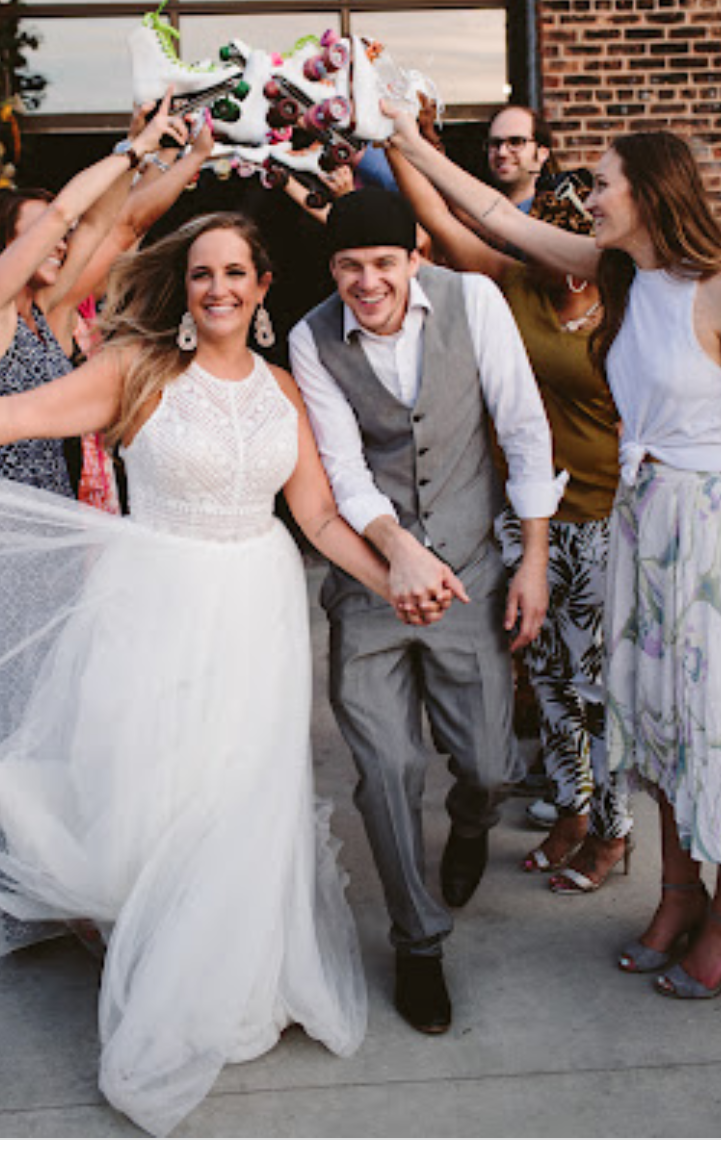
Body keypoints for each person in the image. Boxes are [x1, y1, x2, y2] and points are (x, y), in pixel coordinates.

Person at [0, 211, 441, 1135]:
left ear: (263, 290)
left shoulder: (285, 392)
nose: (218, 288)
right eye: (202, 274)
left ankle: (243, 985)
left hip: (257, 611)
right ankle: (173, 997)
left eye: (236, 273)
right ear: (185, 289)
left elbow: (324, 521)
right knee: (167, 799)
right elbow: (11, 415)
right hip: (158, 607)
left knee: (245, 800)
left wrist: (396, 580)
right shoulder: (136, 372)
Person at [383, 111, 721, 1001]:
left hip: (716, 533)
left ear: (651, 194)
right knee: (658, 728)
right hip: (642, 522)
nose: (588, 198)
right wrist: (401, 136)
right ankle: (677, 895)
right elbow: (497, 220)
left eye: (601, 184)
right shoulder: (619, 275)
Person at [289, 187, 562, 1037]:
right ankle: (418, 944)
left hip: (474, 573)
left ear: (414, 256)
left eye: (381, 263)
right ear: (331, 268)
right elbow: (340, 464)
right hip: (369, 582)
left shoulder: (473, 302)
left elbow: (522, 427)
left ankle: (474, 821)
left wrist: (534, 561)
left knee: (486, 762)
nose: (366, 282)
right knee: (390, 772)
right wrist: (396, 553)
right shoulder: (310, 337)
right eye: (347, 267)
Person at [387, 135, 633, 894]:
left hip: (606, 517)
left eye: (575, 241)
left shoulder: (624, 300)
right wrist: (397, 138)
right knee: (550, 676)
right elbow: (440, 216)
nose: (563, 262)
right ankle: (570, 808)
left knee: (601, 684)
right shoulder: (513, 284)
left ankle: (613, 830)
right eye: (550, 241)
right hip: (530, 516)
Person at [0, 93, 209, 495]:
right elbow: (65, 215)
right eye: (41, 233)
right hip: (4, 516)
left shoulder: (41, 307)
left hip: (58, 511)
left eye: (58, 237)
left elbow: (98, 227)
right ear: (7, 244)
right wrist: (133, 149)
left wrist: (151, 152)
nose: (59, 243)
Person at [483, 103, 555, 213]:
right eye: (495, 143)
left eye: (515, 142)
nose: (502, 152)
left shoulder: (562, 214)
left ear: (542, 153)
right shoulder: (476, 217)